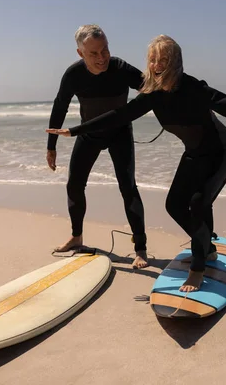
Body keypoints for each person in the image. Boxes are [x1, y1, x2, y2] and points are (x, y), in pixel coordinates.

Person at [47, 35, 226, 292]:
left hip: (221, 153)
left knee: (199, 204)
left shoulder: (194, 88)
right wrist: (75, 131)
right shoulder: (152, 95)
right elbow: (120, 114)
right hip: (193, 153)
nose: (156, 66)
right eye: (152, 60)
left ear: (175, 63)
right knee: (174, 205)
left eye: (163, 60)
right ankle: (206, 244)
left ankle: (198, 267)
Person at [46, 24, 149, 268]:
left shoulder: (121, 68)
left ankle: (141, 249)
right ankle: (76, 237)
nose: (102, 58)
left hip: (119, 134)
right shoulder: (73, 74)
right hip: (89, 134)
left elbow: (151, 89)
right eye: (94, 53)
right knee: (74, 184)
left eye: (105, 50)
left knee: (128, 187)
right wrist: (51, 147)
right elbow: (60, 106)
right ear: (81, 53)